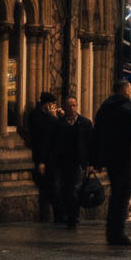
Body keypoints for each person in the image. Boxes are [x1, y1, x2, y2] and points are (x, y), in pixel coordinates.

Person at [93, 79, 131, 245]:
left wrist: (97, 159)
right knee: (122, 196)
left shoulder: (104, 109)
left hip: (110, 159)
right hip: (126, 159)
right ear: (126, 91)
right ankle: (118, 232)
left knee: (116, 195)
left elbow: (96, 134)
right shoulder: (129, 110)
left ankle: (112, 231)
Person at [51, 95, 95, 227]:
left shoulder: (85, 123)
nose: (72, 108)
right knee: (63, 189)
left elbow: (91, 144)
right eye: (69, 105)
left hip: (78, 162)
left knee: (74, 190)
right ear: (64, 107)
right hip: (62, 162)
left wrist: (91, 163)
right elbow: (53, 143)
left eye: (74, 105)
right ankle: (66, 215)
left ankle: (73, 216)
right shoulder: (59, 123)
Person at [28, 92, 60, 222]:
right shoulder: (37, 117)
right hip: (44, 158)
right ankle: (50, 217)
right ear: (46, 105)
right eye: (51, 104)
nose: (52, 107)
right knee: (49, 188)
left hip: (52, 158)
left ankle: (57, 216)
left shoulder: (47, 117)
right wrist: (41, 161)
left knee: (53, 188)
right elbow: (42, 139)